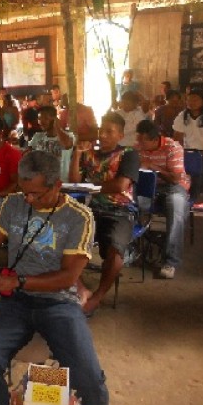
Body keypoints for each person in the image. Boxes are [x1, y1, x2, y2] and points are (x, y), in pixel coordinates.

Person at [0, 150, 108, 405]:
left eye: (37, 194)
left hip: (60, 302)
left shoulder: (79, 216)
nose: (29, 200)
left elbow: (68, 277)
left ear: (57, 185)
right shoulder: (14, 204)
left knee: (89, 377)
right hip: (16, 302)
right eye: (25, 192)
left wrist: (16, 280)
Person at [69, 112, 139, 315]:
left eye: (110, 131)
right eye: (102, 130)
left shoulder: (129, 154)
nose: (104, 135)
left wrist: (90, 186)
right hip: (91, 209)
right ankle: (82, 289)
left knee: (115, 250)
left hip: (120, 211)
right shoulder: (90, 153)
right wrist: (77, 154)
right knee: (60, 237)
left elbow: (120, 185)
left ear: (120, 135)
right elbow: (74, 181)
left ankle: (98, 296)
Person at [135, 119, 190, 279]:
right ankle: (134, 249)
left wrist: (152, 166)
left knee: (176, 206)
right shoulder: (138, 147)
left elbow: (175, 178)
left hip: (172, 186)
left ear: (154, 139)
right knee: (131, 202)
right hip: (147, 186)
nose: (139, 143)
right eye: (138, 139)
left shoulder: (173, 148)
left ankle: (171, 262)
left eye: (142, 140)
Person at [28, 105, 74, 181]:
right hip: (42, 182)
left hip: (61, 182)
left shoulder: (69, 136)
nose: (41, 122)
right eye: (39, 118)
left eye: (45, 118)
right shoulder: (37, 136)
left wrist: (57, 127)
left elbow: (67, 145)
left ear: (54, 119)